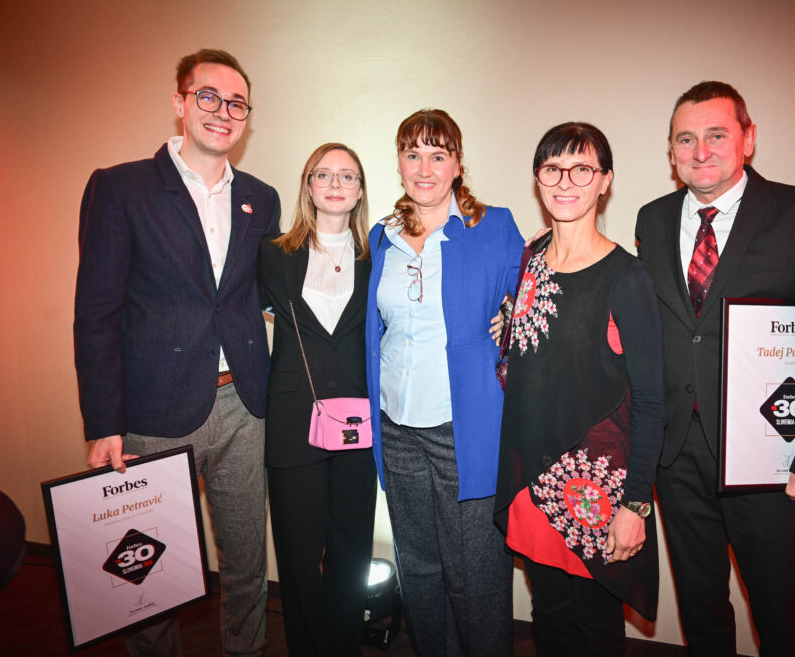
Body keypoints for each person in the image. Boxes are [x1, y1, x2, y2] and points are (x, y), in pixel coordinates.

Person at [635, 81, 795, 656]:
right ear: (671, 150)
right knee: (701, 610)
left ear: (749, 138)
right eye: (685, 139)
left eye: (716, 135)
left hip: (771, 459)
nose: (700, 151)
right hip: (678, 454)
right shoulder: (652, 219)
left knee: (779, 613)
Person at [74, 49, 279, 656]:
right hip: (154, 414)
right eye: (207, 96)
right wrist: (104, 421)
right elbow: (97, 313)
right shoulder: (121, 188)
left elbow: (268, 291)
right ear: (180, 103)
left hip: (243, 406)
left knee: (246, 562)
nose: (222, 112)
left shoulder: (261, 198)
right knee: (149, 573)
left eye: (236, 103)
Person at [494, 122, 666, 656]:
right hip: (533, 476)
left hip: (595, 490)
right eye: (553, 169)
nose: (565, 181)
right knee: (548, 619)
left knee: (594, 630)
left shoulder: (627, 277)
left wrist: (635, 505)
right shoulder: (530, 258)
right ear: (538, 179)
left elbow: (651, 400)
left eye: (582, 169)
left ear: (605, 181)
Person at [364, 108, 524, 656]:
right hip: (395, 425)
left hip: (463, 427)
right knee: (419, 567)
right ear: (399, 163)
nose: (424, 168)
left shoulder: (493, 227)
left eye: (438, 155)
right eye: (413, 155)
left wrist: (510, 315)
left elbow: (534, 297)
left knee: (474, 572)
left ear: (457, 163)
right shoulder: (381, 237)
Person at [259, 143, 376, 656]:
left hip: (357, 426)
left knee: (352, 553)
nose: (335, 184)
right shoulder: (271, 255)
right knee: (299, 558)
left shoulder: (379, 258)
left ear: (360, 191)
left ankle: (345, 646)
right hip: (293, 425)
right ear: (307, 186)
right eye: (323, 174)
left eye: (347, 176)